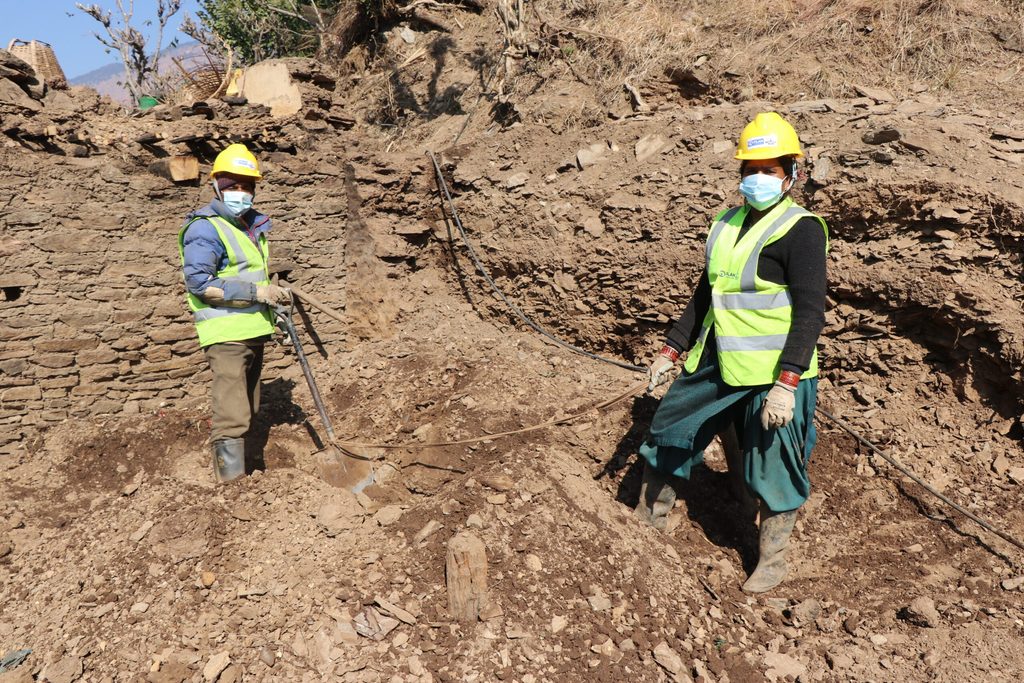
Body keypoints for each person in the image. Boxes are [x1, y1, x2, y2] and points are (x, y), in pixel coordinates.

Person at [636, 112, 829, 593]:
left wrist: (787, 384)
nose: (758, 178)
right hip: (716, 363)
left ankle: (773, 558)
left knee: (775, 465)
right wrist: (672, 348)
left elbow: (809, 313)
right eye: (750, 169)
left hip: (773, 374)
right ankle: (645, 524)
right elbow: (705, 295)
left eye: (770, 170)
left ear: (792, 175)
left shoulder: (801, 230)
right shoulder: (725, 224)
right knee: (668, 432)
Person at [177, 144, 292, 483]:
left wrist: (275, 306)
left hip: (253, 330)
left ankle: (248, 472)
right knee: (232, 413)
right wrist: (259, 293)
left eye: (247, 185)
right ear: (217, 185)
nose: (240, 192)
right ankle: (231, 487)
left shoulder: (250, 226)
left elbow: (251, 272)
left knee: (250, 406)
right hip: (226, 334)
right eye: (233, 185)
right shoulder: (205, 227)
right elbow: (199, 283)